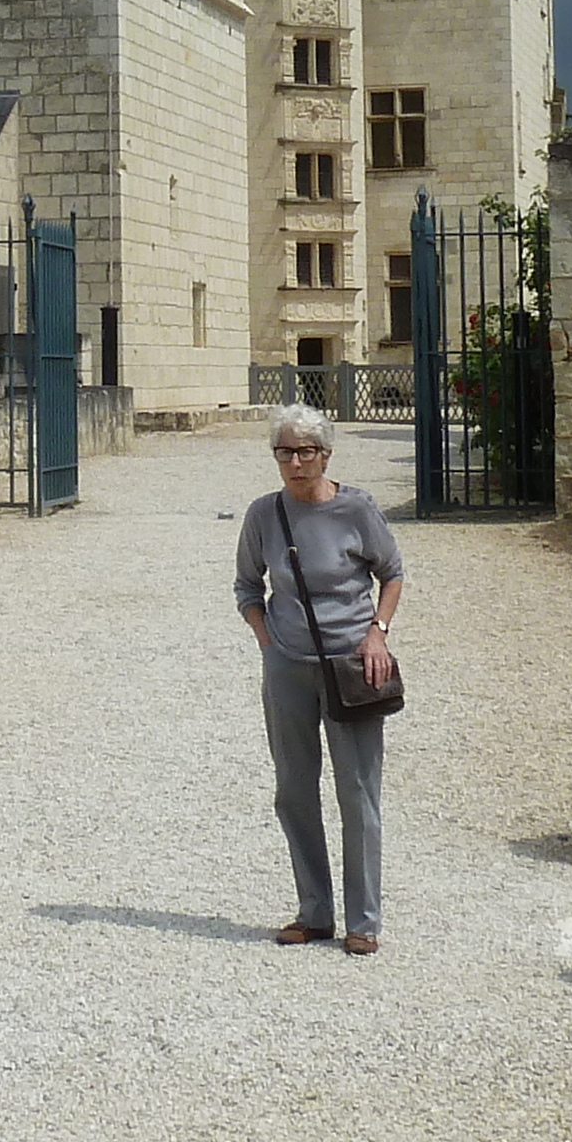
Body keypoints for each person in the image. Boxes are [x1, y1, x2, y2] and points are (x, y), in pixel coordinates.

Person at [235, 406, 406, 955]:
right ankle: (314, 912)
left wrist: (376, 633)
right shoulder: (263, 514)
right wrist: (269, 644)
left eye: (306, 451)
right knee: (294, 790)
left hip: (352, 666)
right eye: (285, 451)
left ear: (326, 455)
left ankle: (364, 921)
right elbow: (246, 587)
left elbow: (392, 574)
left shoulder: (357, 508)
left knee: (357, 792)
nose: (295, 462)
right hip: (288, 666)